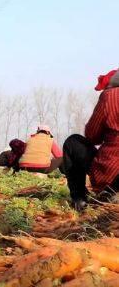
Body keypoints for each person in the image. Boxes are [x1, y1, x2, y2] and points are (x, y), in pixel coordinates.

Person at [63, 68, 119, 211]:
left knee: (73, 142)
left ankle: (80, 201)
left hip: (110, 175)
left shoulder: (110, 96)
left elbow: (92, 135)